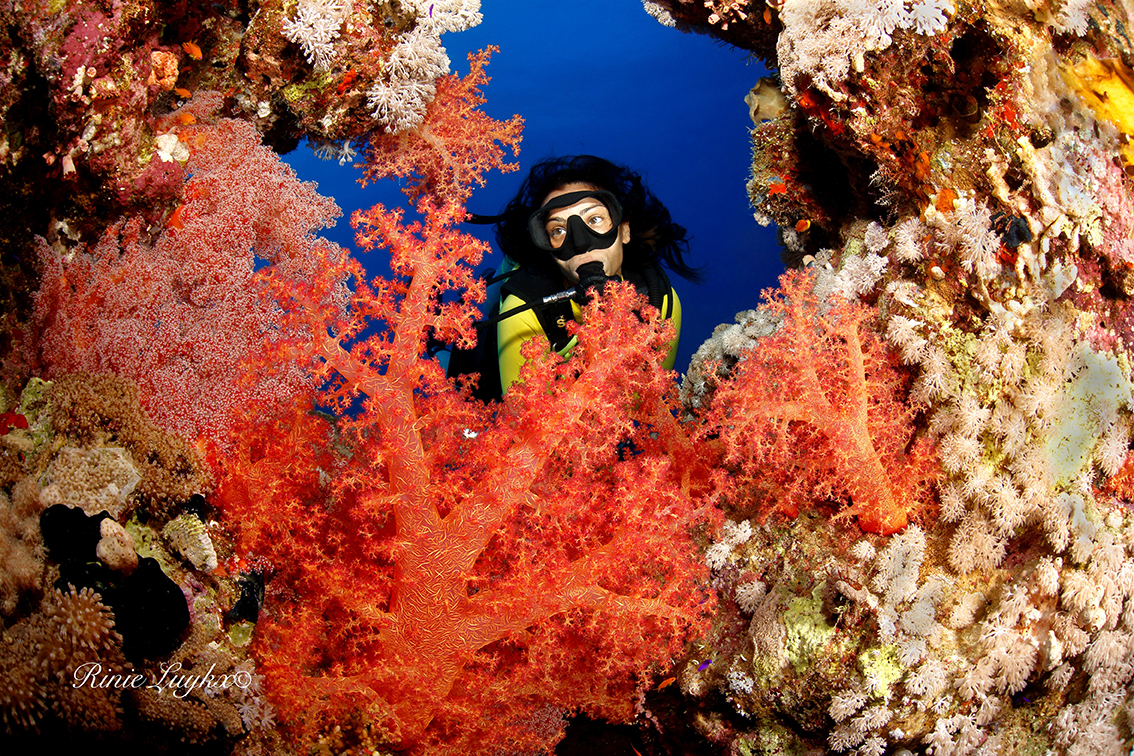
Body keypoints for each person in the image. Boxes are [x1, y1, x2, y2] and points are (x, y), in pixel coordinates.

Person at [491, 155, 701, 395]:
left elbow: (647, 403)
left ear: (624, 230)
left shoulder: (660, 300)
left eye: (595, 219)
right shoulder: (522, 308)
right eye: (558, 230)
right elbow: (524, 419)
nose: (581, 243)